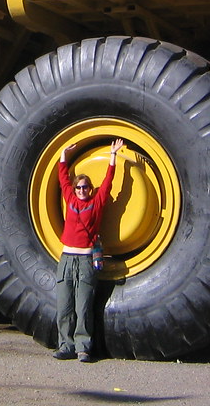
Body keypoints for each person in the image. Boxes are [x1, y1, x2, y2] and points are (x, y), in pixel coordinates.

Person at [53, 137, 125, 362]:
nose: (81, 190)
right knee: (64, 306)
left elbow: (108, 183)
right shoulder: (70, 200)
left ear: (90, 189)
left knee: (83, 307)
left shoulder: (97, 203)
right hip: (66, 258)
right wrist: (63, 155)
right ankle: (65, 345)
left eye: (85, 187)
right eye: (78, 187)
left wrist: (113, 157)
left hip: (85, 261)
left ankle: (83, 348)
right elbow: (62, 177)